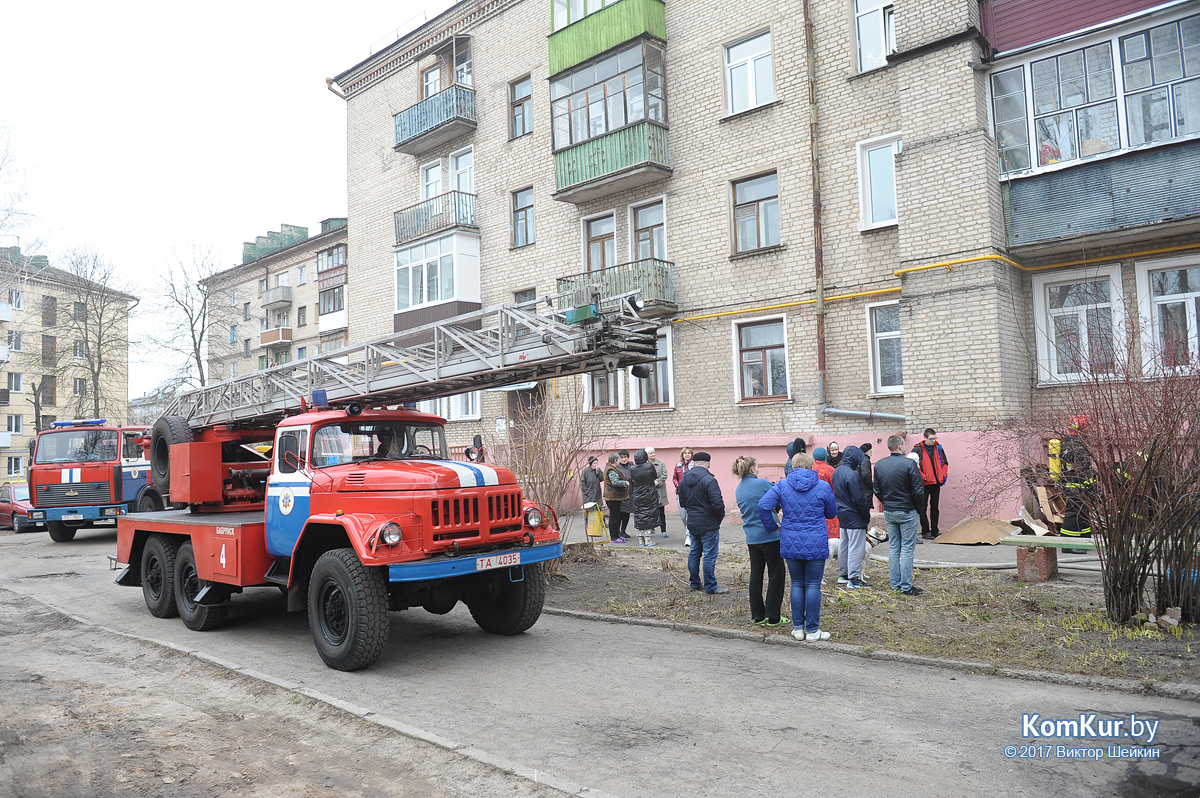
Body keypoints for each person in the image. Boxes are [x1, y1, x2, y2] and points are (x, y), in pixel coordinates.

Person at [758, 453, 838, 641]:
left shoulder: (782, 485)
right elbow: (832, 512)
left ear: (792, 467)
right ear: (812, 467)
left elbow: (763, 506)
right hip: (816, 541)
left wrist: (772, 527)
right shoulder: (823, 486)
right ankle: (812, 630)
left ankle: (798, 629)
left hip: (790, 540)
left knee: (796, 584)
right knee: (813, 585)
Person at [733, 455, 787, 626]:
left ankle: (757, 615)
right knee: (776, 575)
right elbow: (780, 497)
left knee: (756, 575)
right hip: (770, 536)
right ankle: (773, 616)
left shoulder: (739, 489)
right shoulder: (762, 484)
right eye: (756, 467)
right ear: (751, 469)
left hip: (752, 538)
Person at [874, 434, 926, 596]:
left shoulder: (879, 465)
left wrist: (888, 503)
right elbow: (918, 490)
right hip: (907, 511)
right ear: (900, 446)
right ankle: (906, 586)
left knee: (894, 547)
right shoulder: (909, 464)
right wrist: (918, 509)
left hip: (890, 511)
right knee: (908, 549)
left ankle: (895, 584)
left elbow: (877, 489)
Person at [677, 451, 728, 594]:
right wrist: (719, 518)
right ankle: (711, 586)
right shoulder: (709, 480)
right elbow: (718, 504)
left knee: (694, 553)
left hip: (692, 521)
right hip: (709, 523)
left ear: (694, 463)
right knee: (709, 555)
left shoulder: (684, 479)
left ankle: (694, 583)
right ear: (708, 464)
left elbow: (682, 502)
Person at [833, 446, 871, 589]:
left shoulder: (838, 472)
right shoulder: (852, 475)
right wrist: (865, 514)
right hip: (854, 514)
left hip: (842, 513)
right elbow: (858, 498)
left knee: (844, 544)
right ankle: (854, 578)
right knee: (856, 546)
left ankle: (843, 575)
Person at [1059, 415, 1094, 554]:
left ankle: (1084, 539)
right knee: (1073, 514)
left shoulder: (1068, 443)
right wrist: (1091, 486)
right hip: (1076, 486)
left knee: (1082, 513)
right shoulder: (1079, 446)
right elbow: (1083, 470)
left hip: (1072, 484)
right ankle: (1067, 545)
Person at [913, 428, 949, 540]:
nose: (933, 441)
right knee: (923, 508)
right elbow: (913, 466)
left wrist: (942, 476)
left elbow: (945, 463)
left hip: (936, 482)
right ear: (925, 438)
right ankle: (925, 531)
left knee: (935, 507)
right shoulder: (917, 449)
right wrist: (924, 476)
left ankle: (935, 530)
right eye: (931, 439)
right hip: (924, 483)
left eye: (934, 438)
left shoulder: (938, 448)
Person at [629, 450, 661, 548]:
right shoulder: (649, 466)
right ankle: (648, 540)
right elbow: (654, 476)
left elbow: (632, 480)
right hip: (649, 493)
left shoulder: (632, 468)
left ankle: (640, 540)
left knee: (639, 515)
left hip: (637, 494)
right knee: (648, 515)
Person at [811, 448, 840, 543]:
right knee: (831, 535)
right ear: (825, 457)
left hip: (812, 505)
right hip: (829, 504)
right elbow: (836, 488)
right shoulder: (830, 470)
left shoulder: (810, 469)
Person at [603, 453, 630, 543]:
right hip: (612, 497)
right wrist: (624, 483)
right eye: (618, 459)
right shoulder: (611, 470)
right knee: (614, 517)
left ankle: (617, 535)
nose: (619, 461)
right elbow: (615, 482)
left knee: (617, 517)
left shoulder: (613, 468)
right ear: (615, 460)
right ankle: (614, 536)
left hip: (615, 497)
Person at [645, 446, 670, 538]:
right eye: (651, 453)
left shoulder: (660, 463)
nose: (653, 454)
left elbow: (665, 474)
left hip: (659, 490)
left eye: (654, 452)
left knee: (661, 512)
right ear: (646, 455)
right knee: (650, 512)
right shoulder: (644, 464)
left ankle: (663, 530)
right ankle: (651, 528)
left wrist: (658, 481)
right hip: (649, 491)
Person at [673, 447, 696, 547]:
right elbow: (674, 478)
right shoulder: (678, 466)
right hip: (680, 493)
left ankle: (689, 535)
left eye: (689, 453)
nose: (687, 455)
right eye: (685, 453)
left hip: (691, 493)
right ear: (682, 455)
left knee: (690, 515)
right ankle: (688, 529)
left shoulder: (694, 465)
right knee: (683, 516)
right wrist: (677, 484)